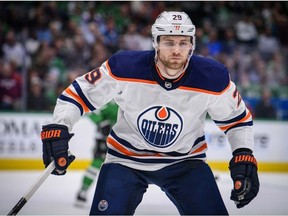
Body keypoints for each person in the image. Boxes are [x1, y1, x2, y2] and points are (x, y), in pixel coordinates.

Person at [41, 11, 259, 215]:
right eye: (169, 42)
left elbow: (237, 120)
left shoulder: (213, 77)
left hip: (186, 163)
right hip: (125, 160)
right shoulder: (124, 67)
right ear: (156, 43)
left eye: (183, 43)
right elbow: (77, 95)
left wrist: (243, 154)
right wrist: (60, 126)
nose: (176, 50)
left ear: (192, 45)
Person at [75, 101, 118, 207]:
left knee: (119, 169)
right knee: (96, 165)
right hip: (103, 140)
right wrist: (102, 123)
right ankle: (83, 190)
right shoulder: (109, 98)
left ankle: (115, 196)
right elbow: (89, 110)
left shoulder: (126, 98)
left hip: (120, 141)